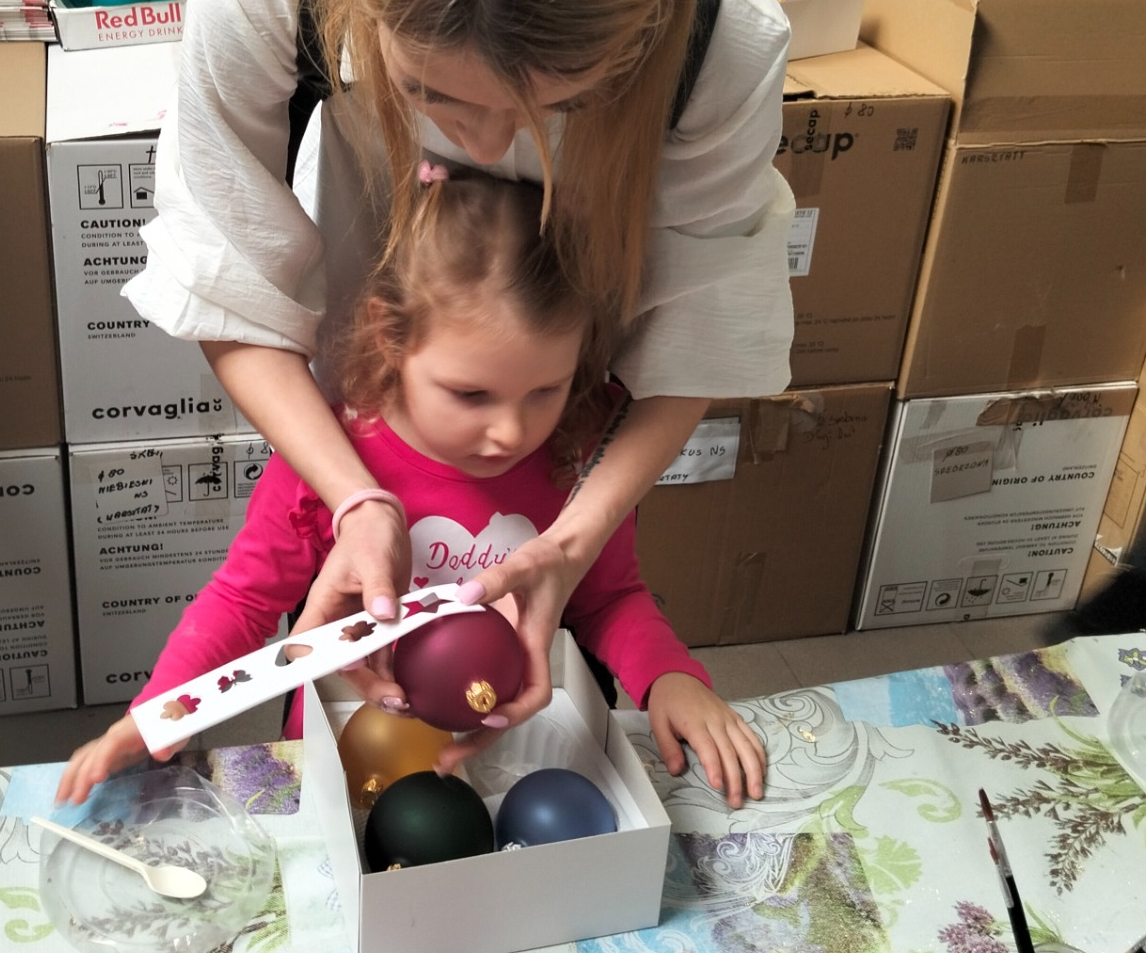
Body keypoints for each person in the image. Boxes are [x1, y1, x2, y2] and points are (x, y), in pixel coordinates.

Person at [125, 0, 795, 743]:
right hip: (379, 383)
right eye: (430, 94)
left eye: (563, 103)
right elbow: (230, 286)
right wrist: (354, 498)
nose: (481, 145)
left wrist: (572, 541)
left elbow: (697, 329)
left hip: (563, 406)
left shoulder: (724, 39)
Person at [63, 172, 767, 808]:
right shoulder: (328, 458)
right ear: (389, 336)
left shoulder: (580, 455)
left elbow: (608, 597)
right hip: (351, 743)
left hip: (512, 745)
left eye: (546, 391)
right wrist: (157, 714)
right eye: (470, 394)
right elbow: (243, 601)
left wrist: (669, 677)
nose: (510, 432)